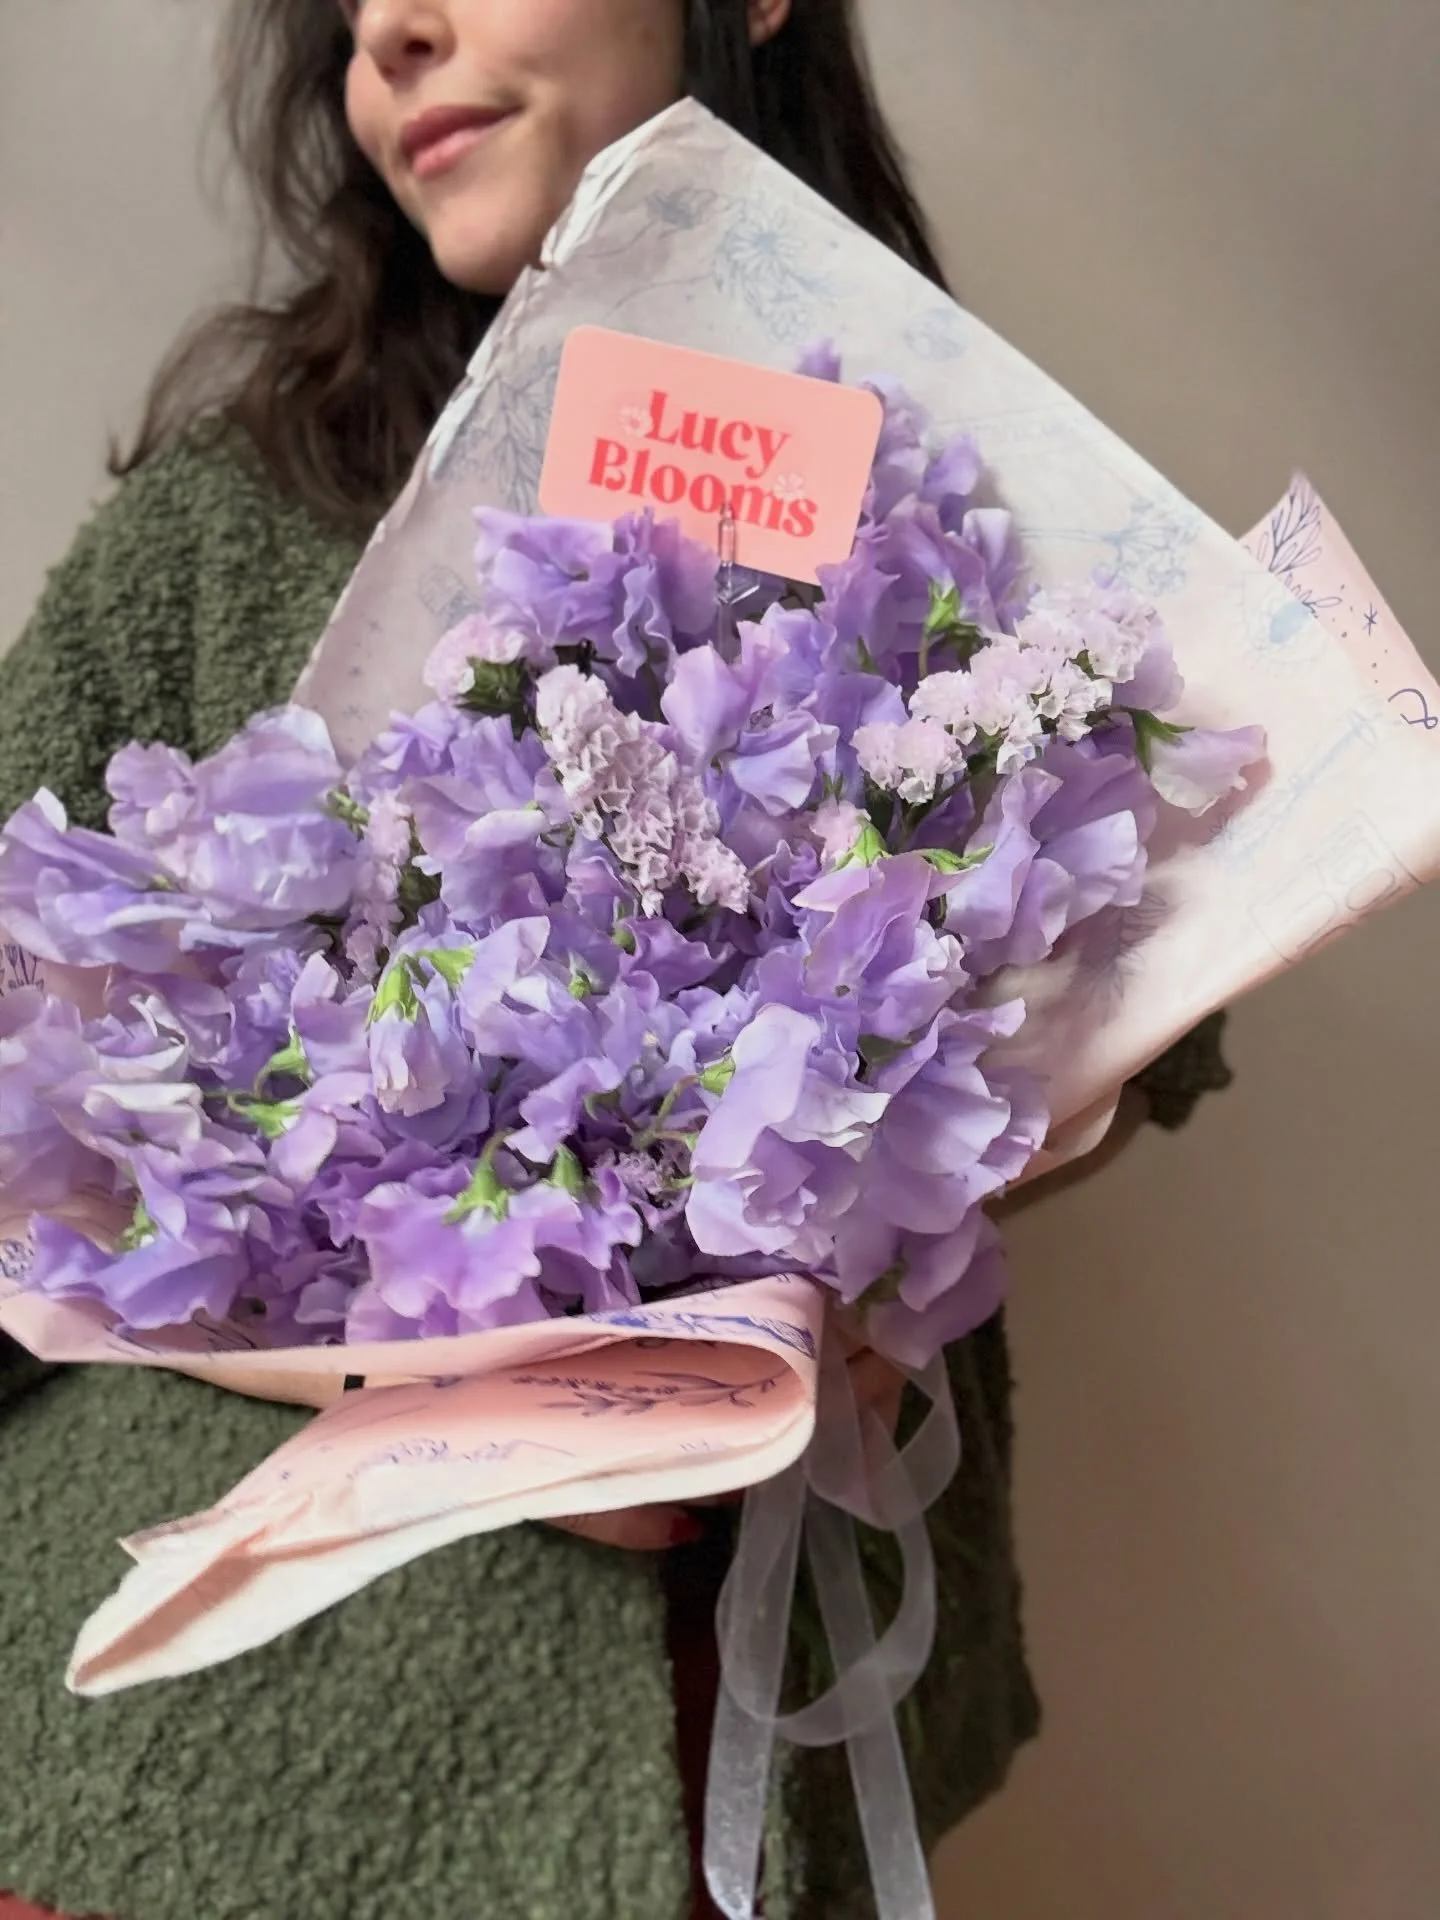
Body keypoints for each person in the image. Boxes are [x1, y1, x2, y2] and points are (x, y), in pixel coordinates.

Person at [0, 4, 1233, 1917]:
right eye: (343, 8)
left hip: (747, 1712)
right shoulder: (226, 523)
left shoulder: (962, 492)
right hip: (212, 1775)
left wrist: (872, 1245)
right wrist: (422, 1372)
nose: (389, 33)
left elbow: (1145, 1029)